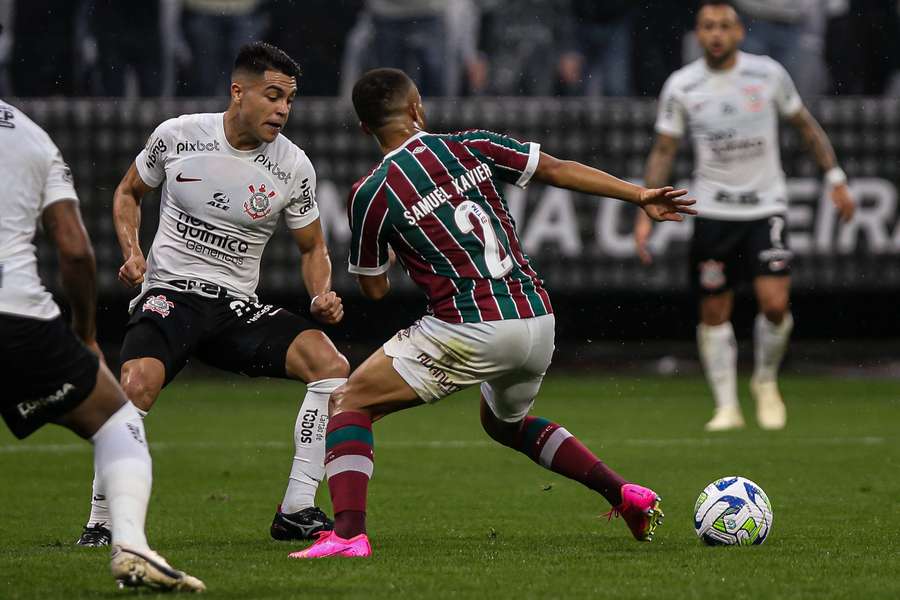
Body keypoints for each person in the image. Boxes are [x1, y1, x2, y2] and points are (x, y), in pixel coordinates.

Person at [289, 67, 697, 559]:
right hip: (537, 319)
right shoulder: (472, 145)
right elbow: (557, 168)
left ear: (364, 128)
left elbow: (373, 289)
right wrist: (639, 195)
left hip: (471, 325)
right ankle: (625, 494)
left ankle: (348, 535)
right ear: (417, 107)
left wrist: (398, 246)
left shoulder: (372, 194)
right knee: (504, 423)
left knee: (350, 401)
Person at [75, 42, 350, 546]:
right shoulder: (177, 136)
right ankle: (102, 519)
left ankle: (297, 508)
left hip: (235, 308)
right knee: (136, 385)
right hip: (171, 296)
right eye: (272, 96)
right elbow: (128, 192)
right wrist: (133, 251)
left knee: (330, 365)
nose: (283, 110)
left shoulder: (294, 166)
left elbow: (313, 247)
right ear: (237, 91)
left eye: (289, 99)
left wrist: (320, 294)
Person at [0, 98, 204, 591]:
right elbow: (74, 249)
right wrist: (85, 331)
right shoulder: (31, 138)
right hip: (16, 315)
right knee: (118, 420)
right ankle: (130, 544)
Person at [634, 0, 855, 432]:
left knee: (775, 305)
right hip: (712, 211)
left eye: (724, 26)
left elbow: (805, 126)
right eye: (708, 26)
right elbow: (664, 149)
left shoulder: (768, 74)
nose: (716, 33)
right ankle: (726, 406)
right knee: (714, 310)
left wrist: (836, 178)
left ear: (740, 33)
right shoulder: (683, 84)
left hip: (765, 206)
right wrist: (645, 208)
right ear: (698, 34)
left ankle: (765, 379)